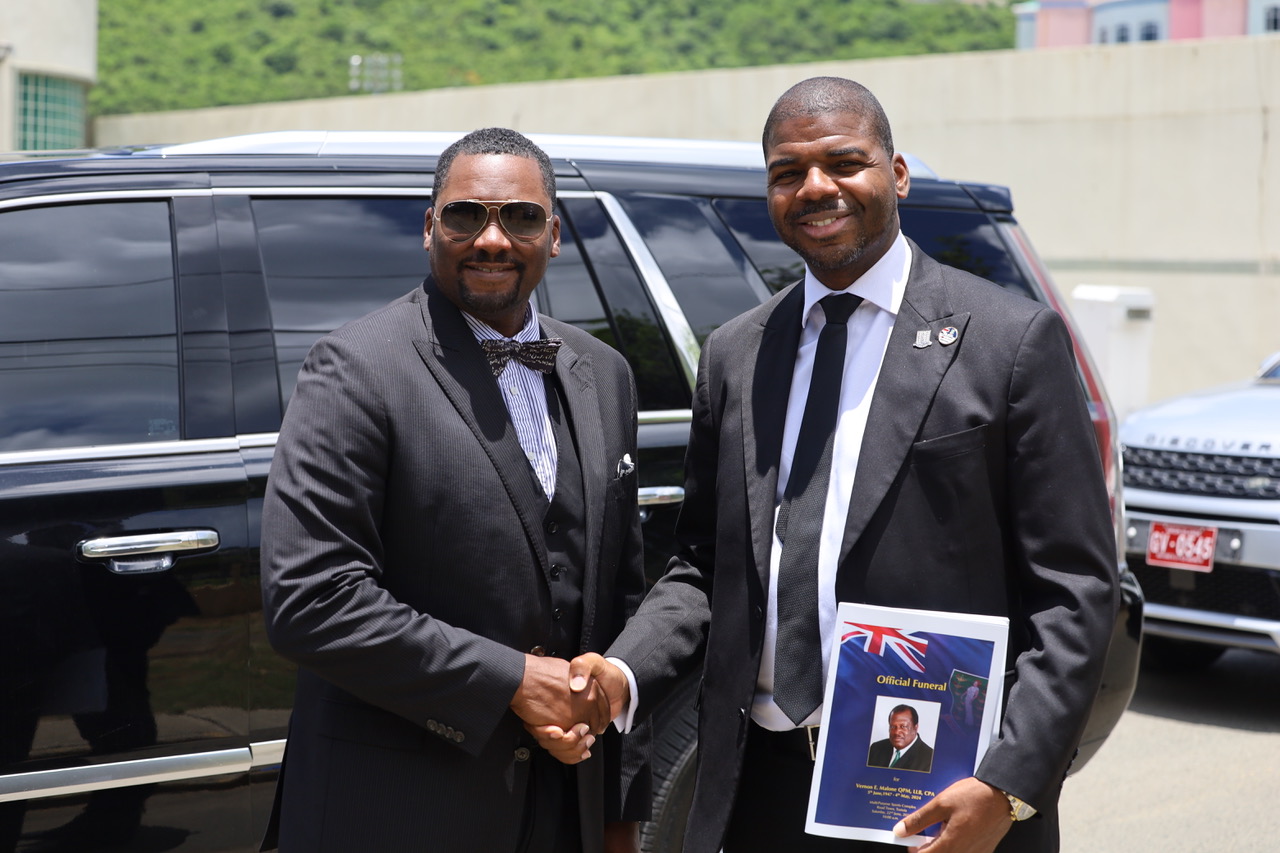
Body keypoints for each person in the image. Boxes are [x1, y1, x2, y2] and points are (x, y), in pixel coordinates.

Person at [549, 77, 1119, 853]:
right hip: (762, 787)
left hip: (940, 790)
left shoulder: (1010, 341)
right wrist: (623, 671)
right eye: (788, 172)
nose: (816, 187)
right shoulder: (736, 353)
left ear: (898, 174)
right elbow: (705, 566)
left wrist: (1008, 784)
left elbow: (1075, 593)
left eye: (845, 162)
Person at [259, 127, 649, 853]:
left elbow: (621, 600)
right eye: (466, 215)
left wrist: (620, 810)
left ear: (554, 234)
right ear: (429, 228)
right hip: (401, 810)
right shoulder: (354, 368)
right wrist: (512, 680)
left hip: (566, 803)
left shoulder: (604, 372)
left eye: (521, 217)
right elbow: (311, 599)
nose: (492, 239)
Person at [866, 705, 933, 772]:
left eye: (903, 726)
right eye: (893, 727)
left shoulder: (930, 759)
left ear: (916, 727)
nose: (897, 732)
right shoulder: (876, 748)